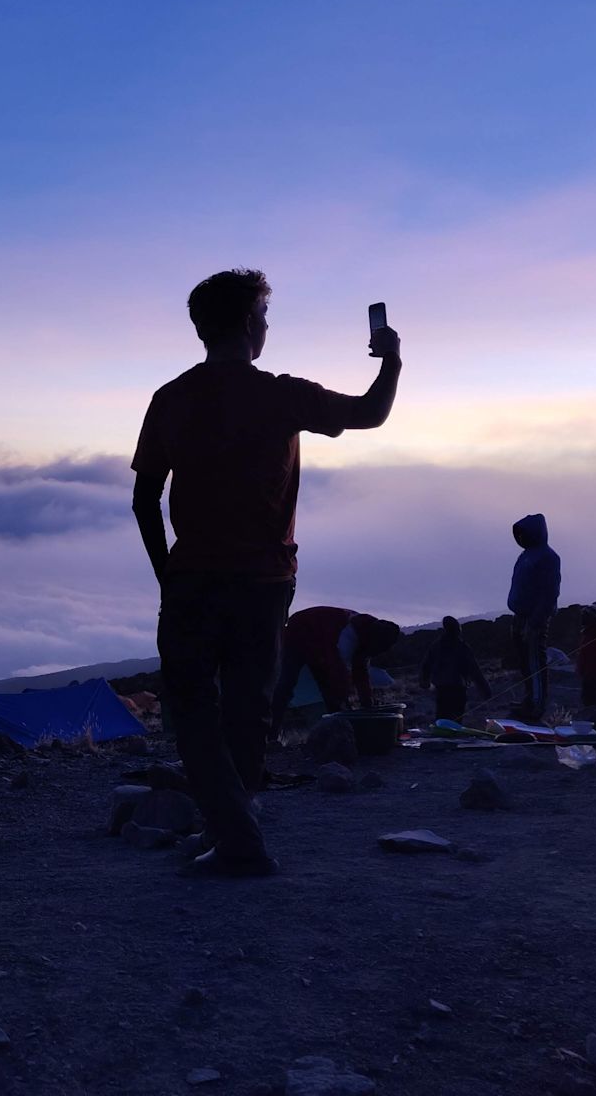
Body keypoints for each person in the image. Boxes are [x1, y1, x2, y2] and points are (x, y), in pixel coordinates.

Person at [131, 268, 401, 877]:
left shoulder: (169, 399)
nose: (267, 326)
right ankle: (236, 829)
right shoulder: (280, 394)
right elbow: (370, 413)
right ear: (251, 324)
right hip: (265, 582)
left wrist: (165, 574)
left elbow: (145, 498)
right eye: (265, 316)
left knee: (194, 710)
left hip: (192, 579)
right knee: (248, 709)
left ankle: (233, 831)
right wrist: (391, 361)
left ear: (202, 327)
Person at [271, 605, 401, 733]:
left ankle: (337, 730)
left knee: (328, 689)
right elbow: (336, 670)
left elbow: (361, 672)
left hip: (320, 637)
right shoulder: (347, 636)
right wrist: (346, 701)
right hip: (298, 632)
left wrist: (368, 705)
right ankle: (271, 732)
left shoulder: (368, 636)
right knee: (287, 683)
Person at [506, 513, 561, 722]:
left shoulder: (548, 557)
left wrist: (535, 622)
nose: (520, 538)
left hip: (534, 619)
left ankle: (537, 705)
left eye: (523, 534)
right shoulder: (526, 555)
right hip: (519, 616)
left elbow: (549, 593)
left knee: (535, 662)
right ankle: (529, 699)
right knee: (524, 663)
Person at [418, 615, 490, 722]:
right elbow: (475, 670)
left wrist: (424, 681)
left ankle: (441, 735)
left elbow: (426, 664)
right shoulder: (462, 647)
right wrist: (485, 690)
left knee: (441, 717)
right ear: (457, 629)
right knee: (456, 718)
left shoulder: (436, 646)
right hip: (458, 688)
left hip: (441, 687)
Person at [576, 604, 596, 708]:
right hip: (588, 672)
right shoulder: (588, 634)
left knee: (591, 698)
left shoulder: (595, 634)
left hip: (593, 673)